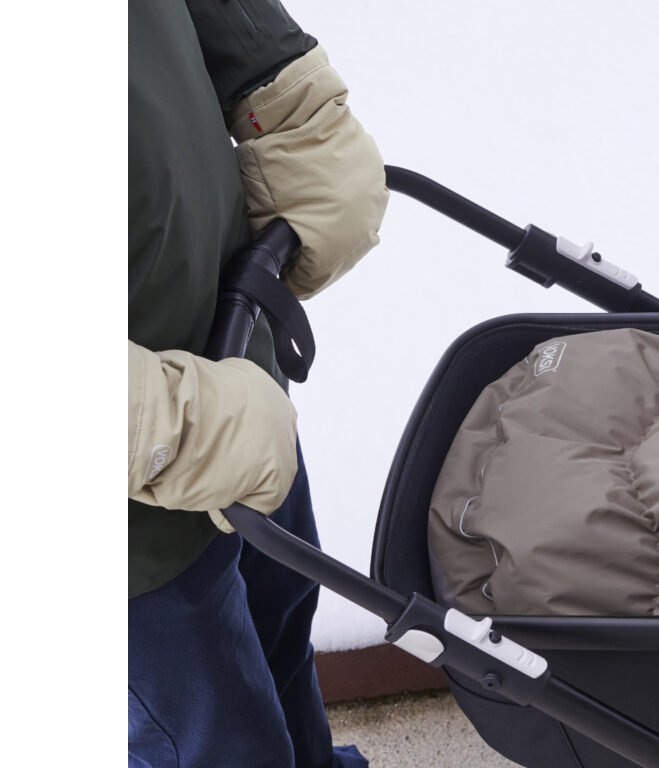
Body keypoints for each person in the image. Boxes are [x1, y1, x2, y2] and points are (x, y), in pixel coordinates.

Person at [128, 2, 388, 766]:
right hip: (129, 528)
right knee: (220, 741)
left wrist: (285, 96)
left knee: (281, 641)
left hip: (236, 369)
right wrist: (164, 423)